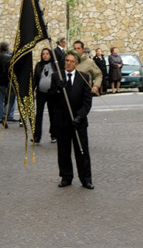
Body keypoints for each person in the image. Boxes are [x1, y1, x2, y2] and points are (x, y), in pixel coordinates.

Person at [49, 51, 94, 189]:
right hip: (62, 121)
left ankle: (86, 179)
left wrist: (80, 116)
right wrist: (57, 89)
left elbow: (87, 102)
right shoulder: (57, 76)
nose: (68, 63)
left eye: (71, 61)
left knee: (82, 151)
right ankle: (66, 177)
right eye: (66, 61)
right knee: (63, 151)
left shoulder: (84, 77)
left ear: (76, 63)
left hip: (78, 121)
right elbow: (50, 99)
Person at [33, 48, 57, 143]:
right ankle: (37, 136)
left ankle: (54, 135)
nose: (45, 55)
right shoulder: (39, 65)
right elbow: (35, 78)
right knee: (38, 114)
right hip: (40, 93)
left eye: (47, 53)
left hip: (52, 93)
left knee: (53, 114)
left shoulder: (54, 65)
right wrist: (32, 89)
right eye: (43, 54)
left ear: (50, 55)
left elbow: (58, 77)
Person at [0, 42, 13, 125]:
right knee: (9, 100)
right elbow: (9, 71)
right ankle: (6, 115)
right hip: (6, 81)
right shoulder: (9, 58)